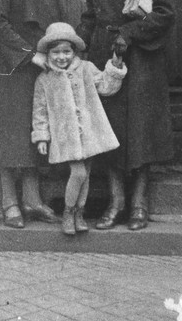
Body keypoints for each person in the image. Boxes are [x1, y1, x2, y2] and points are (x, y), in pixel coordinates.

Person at [78, 0, 176, 231]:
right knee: (110, 129)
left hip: (143, 58)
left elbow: (164, 12)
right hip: (106, 59)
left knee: (142, 129)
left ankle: (138, 204)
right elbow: (90, 14)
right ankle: (115, 200)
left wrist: (130, 33)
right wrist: (79, 49)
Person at [0, 0, 72, 228]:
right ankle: (10, 203)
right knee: (11, 133)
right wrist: (29, 53)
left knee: (34, 131)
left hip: (41, 66)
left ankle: (33, 201)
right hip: (13, 66)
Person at [31, 22, 127, 235]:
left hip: (89, 133)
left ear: (74, 51)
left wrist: (115, 67)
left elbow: (106, 86)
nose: (62, 57)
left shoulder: (85, 68)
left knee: (86, 174)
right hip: (66, 137)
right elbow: (40, 111)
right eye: (56, 52)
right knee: (78, 172)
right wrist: (42, 138)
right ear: (48, 53)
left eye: (67, 51)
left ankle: (79, 214)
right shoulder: (44, 79)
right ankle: (68, 212)